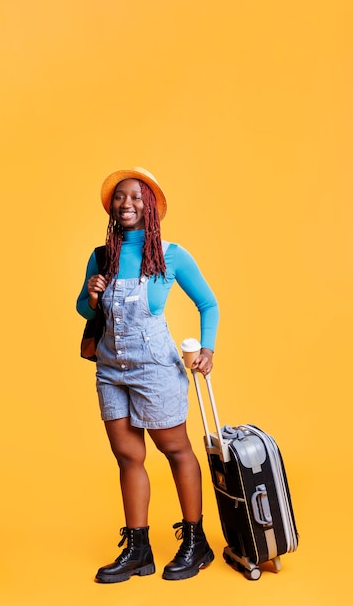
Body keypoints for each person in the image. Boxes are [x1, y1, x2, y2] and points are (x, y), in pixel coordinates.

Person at [76, 167, 219, 583]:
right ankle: (139, 550)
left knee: (176, 450)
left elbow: (208, 303)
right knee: (128, 457)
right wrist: (92, 295)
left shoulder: (172, 254)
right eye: (120, 197)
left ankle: (196, 541)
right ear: (111, 205)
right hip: (110, 367)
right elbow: (85, 311)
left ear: (151, 205)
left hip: (155, 367)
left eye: (137, 197)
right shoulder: (102, 255)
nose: (127, 204)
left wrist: (207, 349)